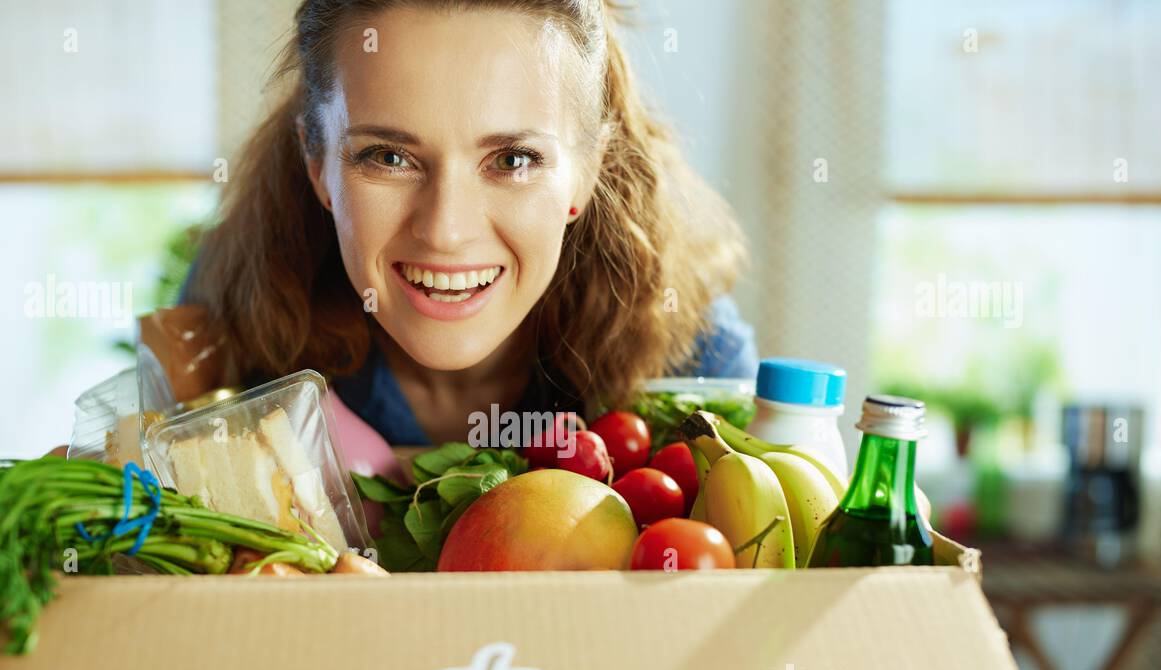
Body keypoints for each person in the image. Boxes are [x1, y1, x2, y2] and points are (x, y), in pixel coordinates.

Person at [55, 0, 756, 461]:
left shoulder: (693, 363)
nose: (446, 231)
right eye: (387, 157)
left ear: (585, 169)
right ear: (318, 164)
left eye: (512, 160)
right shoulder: (225, 316)